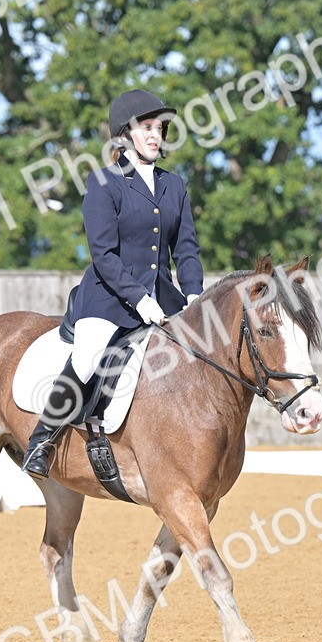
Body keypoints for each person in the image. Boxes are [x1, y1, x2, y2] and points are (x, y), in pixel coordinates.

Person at [21, 89, 205, 479]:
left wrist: (193, 294)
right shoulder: (104, 182)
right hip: (109, 300)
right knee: (88, 358)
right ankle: (42, 439)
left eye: (161, 128)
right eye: (147, 128)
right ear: (124, 135)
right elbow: (103, 254)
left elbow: (186, 249)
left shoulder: (174, 186)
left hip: (165, 299)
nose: (156, 135)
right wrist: (140, 300)